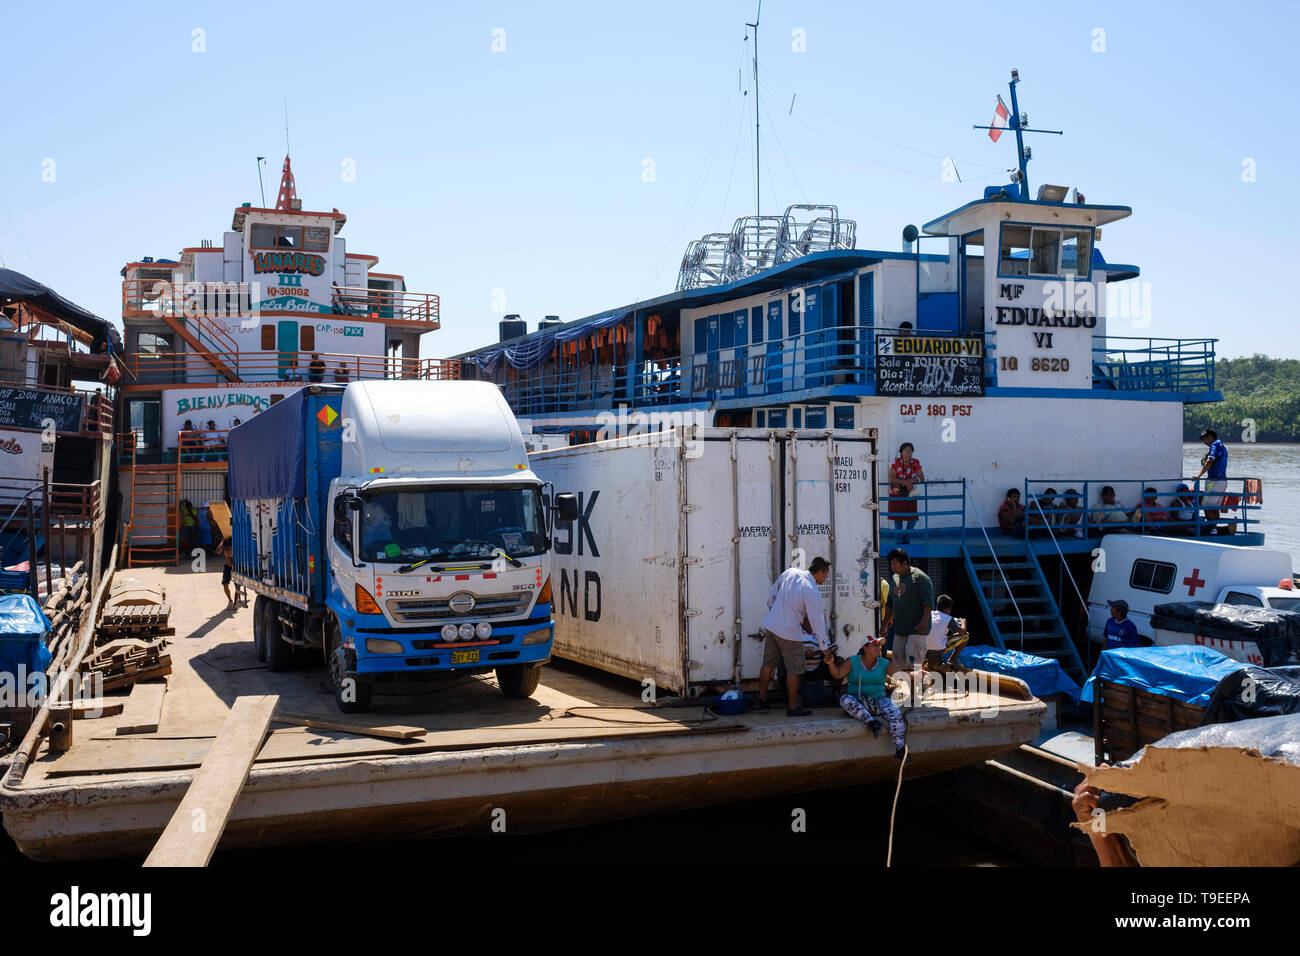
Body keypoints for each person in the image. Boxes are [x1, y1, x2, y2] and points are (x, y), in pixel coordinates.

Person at [757, 557, 831, 716]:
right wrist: (824, 647)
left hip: (772, 625)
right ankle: (792, 707)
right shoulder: (811, 590)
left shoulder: (790, 572)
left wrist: (775, 613)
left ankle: (761, 699)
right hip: (790, 632)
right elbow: (816, 621)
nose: (826, 579)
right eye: (826, 575)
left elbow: (772, 595)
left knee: (768, 663)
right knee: (795, 670)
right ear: (819, 573)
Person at [827, 635, 908, 759]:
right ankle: (871, 722)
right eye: (874, 645)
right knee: (845, 699)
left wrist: (916, 674)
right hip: (859, 701)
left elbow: (901, 675)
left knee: (896, 713)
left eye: (879, 645)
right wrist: (831, 663)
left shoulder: (884, 663)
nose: (878, 648)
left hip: (879, 700)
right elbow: (838, 675)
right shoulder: (852, 661)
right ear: (865, 648)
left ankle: (900, 749)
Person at [885, 548, 933, 670]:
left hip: (917, 629)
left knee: (915, 664)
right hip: (900, 628)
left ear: (905, 563)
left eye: (894, 564)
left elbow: (928, 604)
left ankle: (921, 688)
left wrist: (923, 622)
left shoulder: (920, 578)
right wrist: (884, 623)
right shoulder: (894, 579)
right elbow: (890, 603)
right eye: (890, 564)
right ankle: (905, 687)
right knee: (898, 663)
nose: (892, 567)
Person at [916, 594, 967, 670]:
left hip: (923, 650)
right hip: (937, 651)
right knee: (966, 636)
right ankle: (952, 659)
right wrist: (963, 623)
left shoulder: (929, 614)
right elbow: (962, 632)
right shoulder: (948, 618)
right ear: (947, 609)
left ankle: (924, 663)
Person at [887, 442, 924, 543]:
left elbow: (922, 478)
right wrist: (905, 482)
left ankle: (907, 538)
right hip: (896, 494)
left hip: (910, 493)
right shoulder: (895, 463)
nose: (908, 453)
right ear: (901, 452)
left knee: (913, 518)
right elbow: (891, 479)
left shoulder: (915, 463)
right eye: (905, 450)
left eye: (910, 451)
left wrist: (910, 482)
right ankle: (899, 540)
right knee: (898, 519)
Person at [1193, 428, 1228, 531]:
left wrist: (1199, 475)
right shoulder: (1221, 446)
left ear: (1211, 437)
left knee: (1206, 505)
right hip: (1222, 481)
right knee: (1214, 507)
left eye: (1205, 439)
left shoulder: (1215, 445)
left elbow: (1210, 460)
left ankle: (1213, 529)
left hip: (1214, 481)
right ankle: (1215, 528)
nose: (1204, 442)